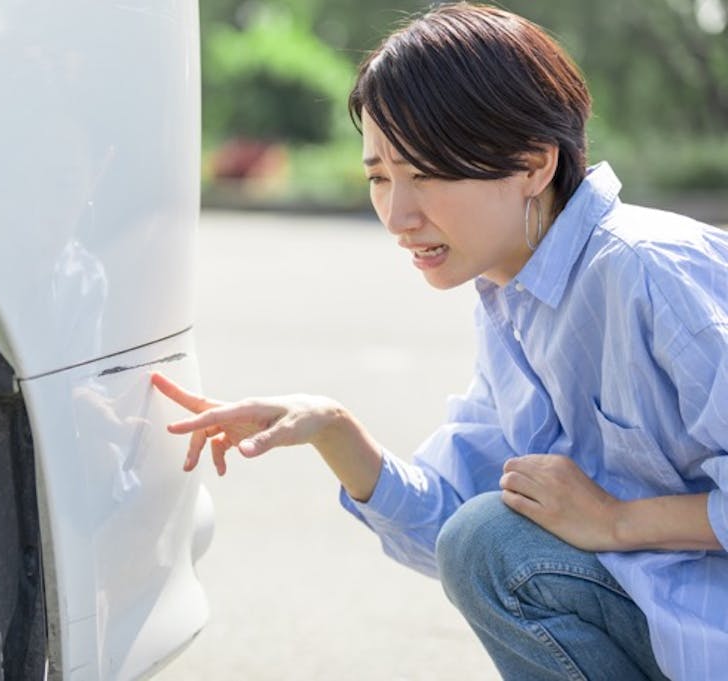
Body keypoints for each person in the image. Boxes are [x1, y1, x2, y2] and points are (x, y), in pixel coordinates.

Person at [151, 3, 728, 680]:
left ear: (535, 164)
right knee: (487, 538)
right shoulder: (514, 298)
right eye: (379, 177)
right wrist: (333, 430)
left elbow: (503, 541)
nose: (398, 215)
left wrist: (619, 522)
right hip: (670, 634)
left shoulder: (650, 270)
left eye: (426, 171)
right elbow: (453, 530)